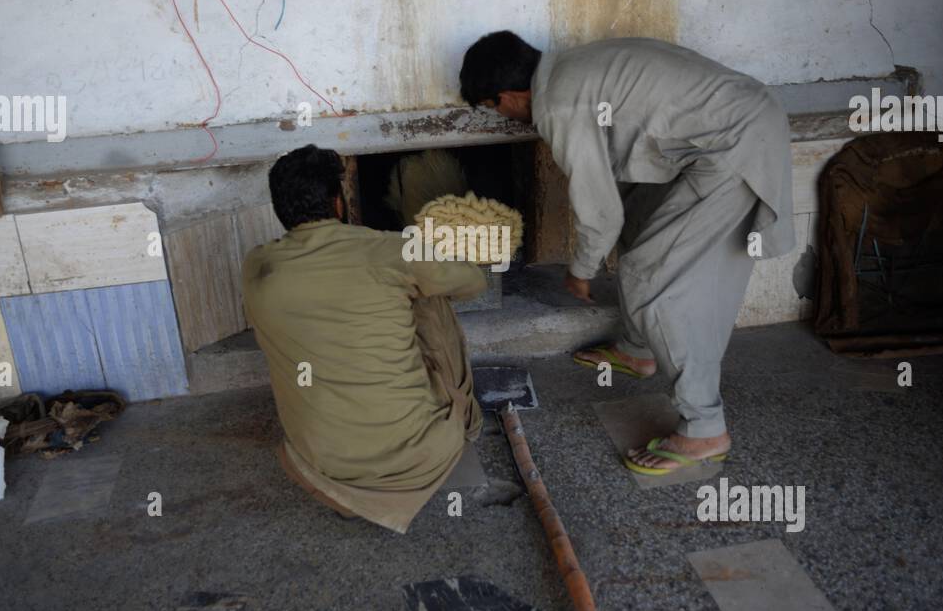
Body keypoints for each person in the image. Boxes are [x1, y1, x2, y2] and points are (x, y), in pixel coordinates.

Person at [460, 32, 794, 475]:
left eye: (494, 108)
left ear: (508, 96)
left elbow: (599, 212)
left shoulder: (558, 105)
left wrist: (580, 271)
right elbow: (617, 200)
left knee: (649, 278)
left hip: (734, 143)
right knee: (639, 218)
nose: (502, 116)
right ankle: (638, 350)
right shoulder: (569, 68)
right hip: (732, 125)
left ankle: (705, 427)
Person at [241, 144, 486, 532]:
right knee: (429, 299)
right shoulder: (389, 249)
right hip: (422, 461)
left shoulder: (257, 265)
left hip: (321, 468)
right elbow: (474, 281)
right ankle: (467, 422)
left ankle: (356, 491)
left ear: (279, 209)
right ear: (339, 202)